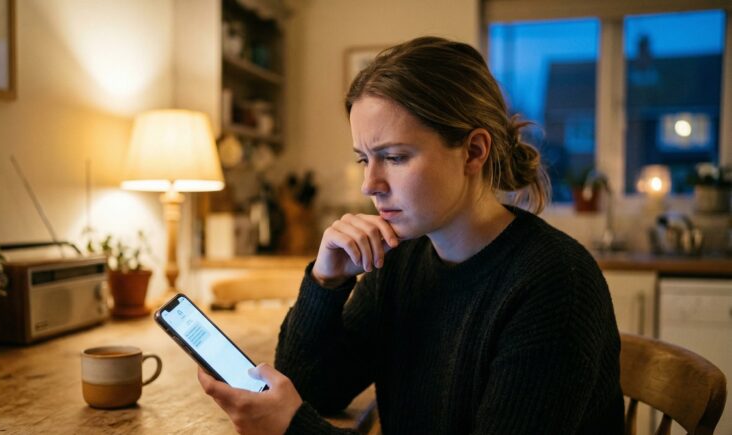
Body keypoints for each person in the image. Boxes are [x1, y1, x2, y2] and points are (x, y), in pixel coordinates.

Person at [197, 36, 624, 435]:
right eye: (365, 159)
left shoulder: (554, 283)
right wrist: (326, 282)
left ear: (474, 151)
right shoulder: (402, 257)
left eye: (395, 157)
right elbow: (315, 388)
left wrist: (293, 428)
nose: (370, 184)